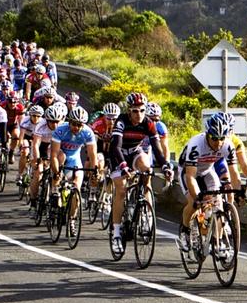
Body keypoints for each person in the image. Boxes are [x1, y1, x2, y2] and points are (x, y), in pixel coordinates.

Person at [107, 92, 169, 256]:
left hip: (135, 151)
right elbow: (115, 147)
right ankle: (116, 233)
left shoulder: (148, 123)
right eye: (135, 111)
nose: (139, 114)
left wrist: (165, 166)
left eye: (142, 110)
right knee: (120, 190)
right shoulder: (121, 121)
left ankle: (146, 214)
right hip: (118, 155)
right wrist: (123, 166)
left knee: (146, 169)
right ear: (129, 111)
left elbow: (157, 148)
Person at [177, 114, 242, 255]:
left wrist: (238, 191)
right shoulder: (196, 145)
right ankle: (185, 231)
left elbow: (234, 174)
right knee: (194, 203)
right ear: (208, 134)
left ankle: (216, 243)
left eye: (222, 138)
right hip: (188, 172)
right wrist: (197, 197)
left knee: (218, 204)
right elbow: (191, 177)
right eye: (214, 138)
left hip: (207, 170)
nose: (218, 142)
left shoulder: (228, 146)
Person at [49, 105, 98, 233]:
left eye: (80, 125)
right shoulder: (61, 130)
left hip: (75, 159)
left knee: (76, 187)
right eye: (74, 124)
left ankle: (72, 219)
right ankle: (55, 191)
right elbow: (53, 155)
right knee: (61, 156)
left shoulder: (87, 132)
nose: (77, 128)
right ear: (69, 122)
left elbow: (92, 155)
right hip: (60, 156)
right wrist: (56, 173)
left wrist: (94, 171)